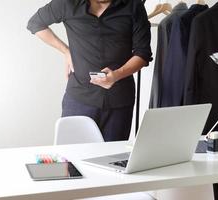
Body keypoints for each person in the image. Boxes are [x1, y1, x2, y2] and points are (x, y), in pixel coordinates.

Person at [27, 0, 152, 141]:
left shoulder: (134, 6)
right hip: (79, 99)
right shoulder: (67, 3)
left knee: (111, 159)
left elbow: (143, 54)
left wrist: (116, 75)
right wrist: (66, 51)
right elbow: (35, 23)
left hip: (119, 101)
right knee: (72, 158)